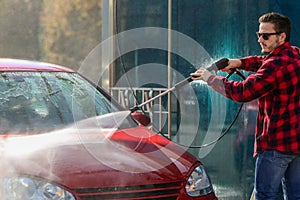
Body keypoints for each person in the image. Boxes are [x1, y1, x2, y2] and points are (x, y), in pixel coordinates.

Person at [191, 12, 300, 200]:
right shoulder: (294, 54)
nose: (260, 40)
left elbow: (243, 92)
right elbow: (263, 62)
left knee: (264, 197)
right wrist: (240, 63)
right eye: (259, 35)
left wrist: (210, 79)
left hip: (275, 148)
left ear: (282, 36)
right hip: (296, 146)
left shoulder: (275, 65)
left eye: (265, 36)